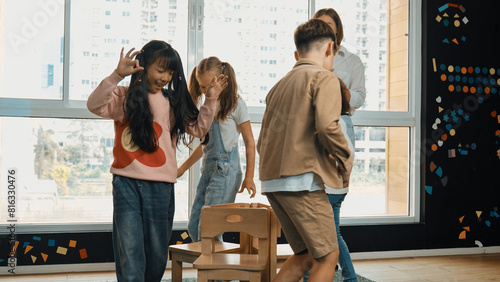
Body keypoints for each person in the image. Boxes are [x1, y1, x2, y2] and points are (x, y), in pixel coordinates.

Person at [86, 40, 227, 282]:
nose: (165, 77)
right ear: (143, 67)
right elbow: (94, 105)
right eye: (160, 70)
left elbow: (198, 129)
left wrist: (211, 99)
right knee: (129, 250)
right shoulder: (123, 97)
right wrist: (116, 75)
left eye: (170, 72)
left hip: (161, 186)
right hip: (126, 182)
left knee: (157, 253)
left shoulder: (173, 100)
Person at [257, 19, 353, 282]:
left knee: (305, 254)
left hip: (273, 182)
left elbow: (262, 140)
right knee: (328, 257)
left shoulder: (278, 86)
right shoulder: (324, 78)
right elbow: (327, 127)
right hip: (302, 181)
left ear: (298, 52)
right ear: (330, 48)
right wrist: (346, 160)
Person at [177, 56, 257, 242]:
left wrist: (250, 176)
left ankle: (213, 269)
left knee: (210, 226)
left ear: (223, 80)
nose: (206, 91)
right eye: (202, 87)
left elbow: (250, 142)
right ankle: (210, 266)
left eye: (210, 85)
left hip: (226, 172)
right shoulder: (207, 106)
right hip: (209, 170)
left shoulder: (236, 105)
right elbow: (206, 144)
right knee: (194, 226)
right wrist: (182, 168)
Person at [304, 79, 358, 282]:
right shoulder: (342, 121)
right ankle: (350, 278)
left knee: (314, 239)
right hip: (336, 189)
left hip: (328, 189)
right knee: (333, 236)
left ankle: (311, 277)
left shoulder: (334, 123)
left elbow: (346, 153)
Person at [314, 7, 366, 144]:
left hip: (341, 121)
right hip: (312, 123)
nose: (323, 28)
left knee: (342, 165)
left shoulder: (353, 61)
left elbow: (360, 98)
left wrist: (336, 87)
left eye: (329, 24)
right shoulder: (308, 58)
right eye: (319, 25)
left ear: (337, 29)